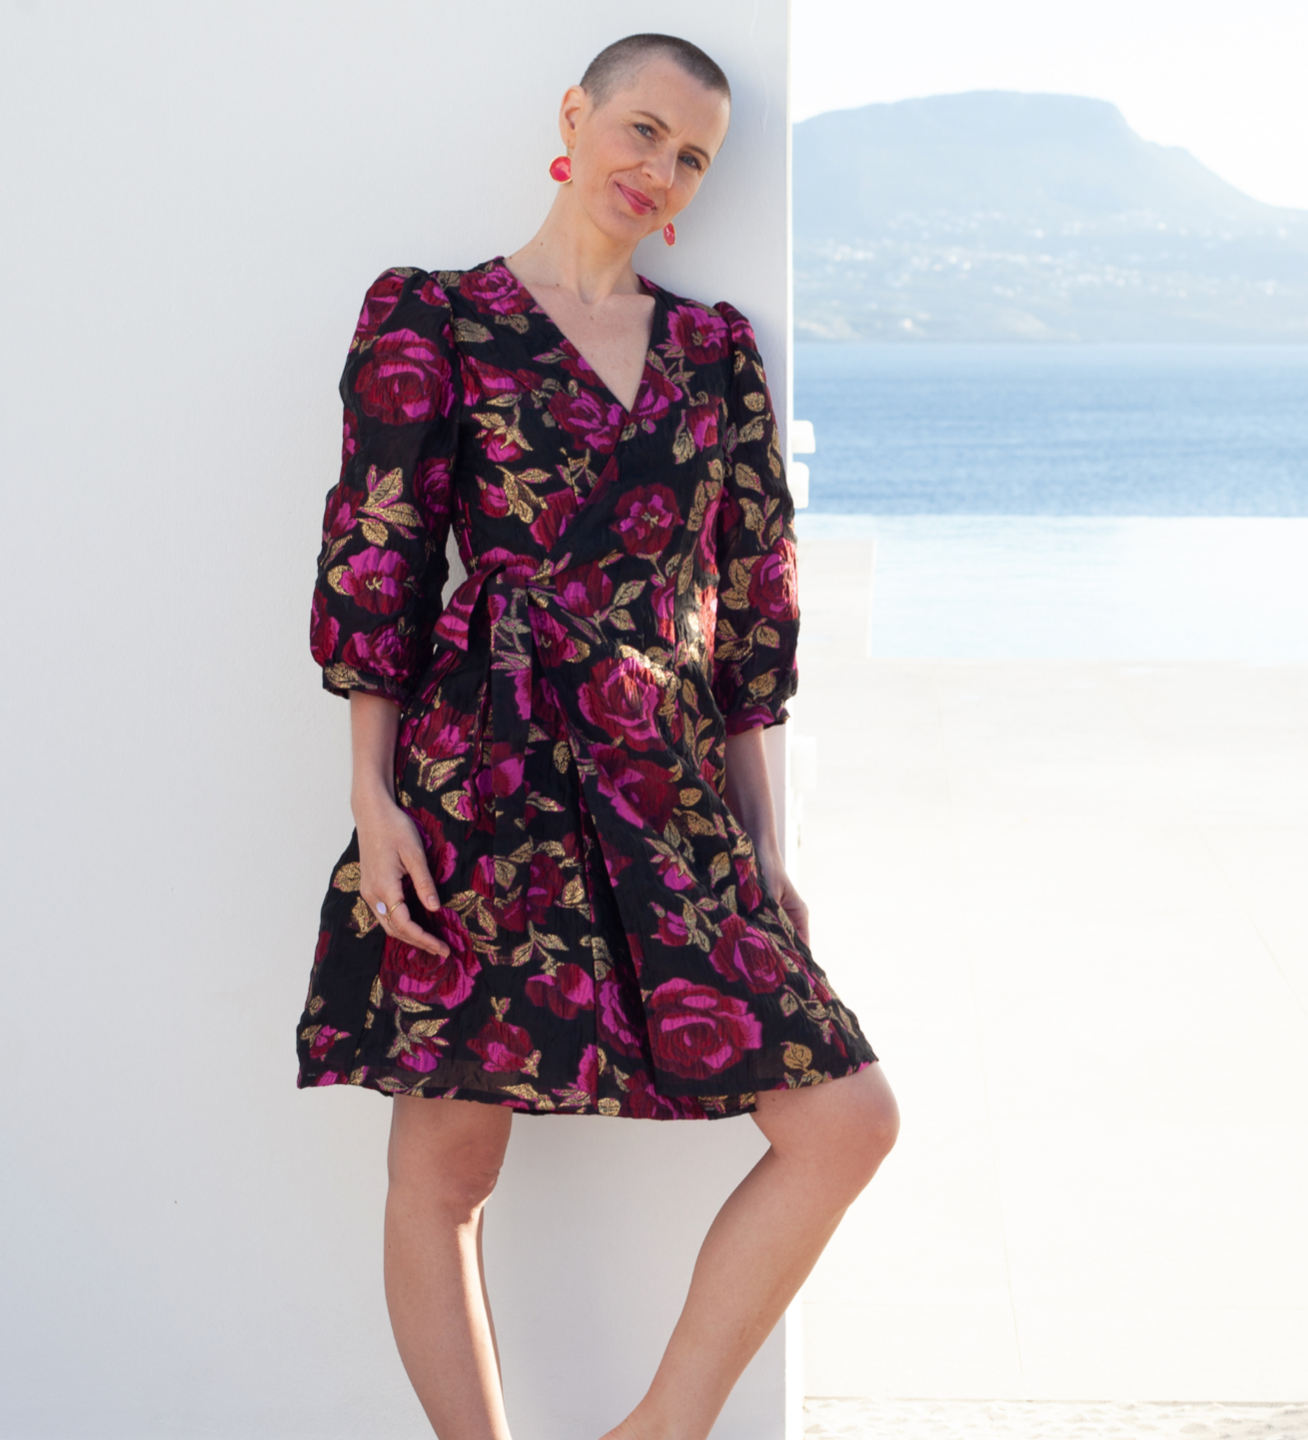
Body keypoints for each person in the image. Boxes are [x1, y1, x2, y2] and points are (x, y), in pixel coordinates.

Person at [298, 31, 899, 1440]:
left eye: (692, 157)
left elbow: (751, 618)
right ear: (575, 115)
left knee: (846, 1121)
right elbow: (378, 559)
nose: (660, 170)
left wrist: (764, 849)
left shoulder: (714, 351)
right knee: (447, 1171)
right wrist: (373, 802)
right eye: (643, 130)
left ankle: (658, 1432)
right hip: (481, 776)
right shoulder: (432, 318)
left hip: (670, 784)